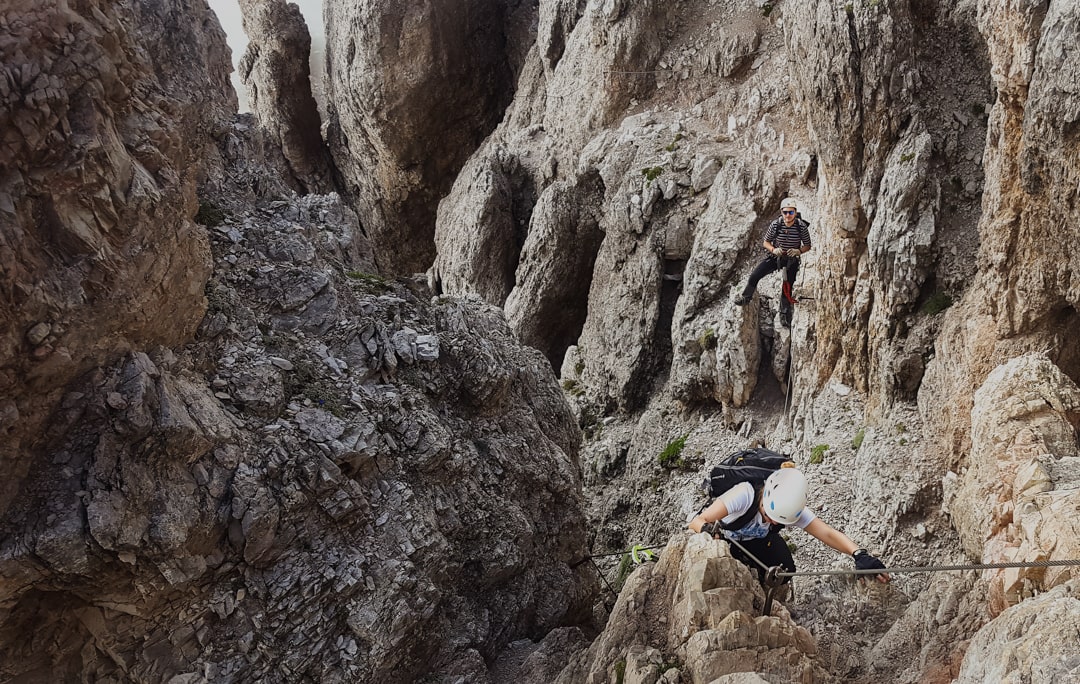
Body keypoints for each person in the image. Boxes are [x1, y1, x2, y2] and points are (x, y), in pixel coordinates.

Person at [688, 467, 889, 585]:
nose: (773, 522)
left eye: (779, 522)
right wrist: (710, 534)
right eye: (768, 516)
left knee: (785, 570)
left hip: (759, 543)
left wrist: (859, 554)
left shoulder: (790, 506)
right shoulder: (744, 494)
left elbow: (826, 533)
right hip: (727, 540)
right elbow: (697, 521)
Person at [734, 197, 812, 326]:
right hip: (776, 257)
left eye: (791, 212)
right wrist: (773, 249)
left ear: (795, 212)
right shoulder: (776, 224)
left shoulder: (801, 226)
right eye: (785, 212)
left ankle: (784, 314)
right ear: (781, 212)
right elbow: (766, 242)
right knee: (755, 275)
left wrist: (799, 251)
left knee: (787, 286)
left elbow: (807, 245)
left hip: (792, 259)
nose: (788, 215)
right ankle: (746, 298)